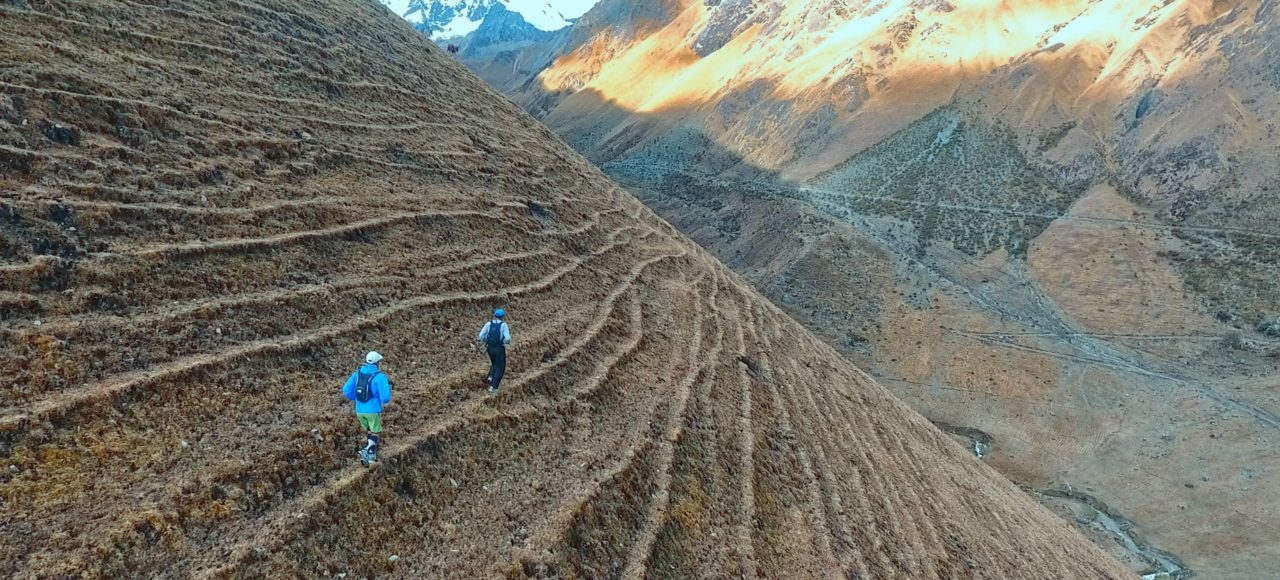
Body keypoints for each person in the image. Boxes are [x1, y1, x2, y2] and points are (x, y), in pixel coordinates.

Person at [342, 351, 392, 465]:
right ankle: (365, 450)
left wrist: (355, 399)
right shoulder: (379, 377)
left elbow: (346, 390)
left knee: (370, 431)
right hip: (372, 410)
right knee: (376, 432)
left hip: (359, 410)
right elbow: (385, 397)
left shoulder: (357, 374)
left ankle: (371, 457)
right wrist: (383, 401)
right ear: (377, 363)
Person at [476, 309, 511, 394]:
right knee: (500, 367)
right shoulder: (503, 325)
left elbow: (481, 335)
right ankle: (494, 387)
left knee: (494, 363)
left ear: (494, 315)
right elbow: (507, 338)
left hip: (490, 348)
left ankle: (490, 377)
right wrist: (505, 342)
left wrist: (486, 341)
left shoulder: (488, 324)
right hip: (499, 348)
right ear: (503, 317)